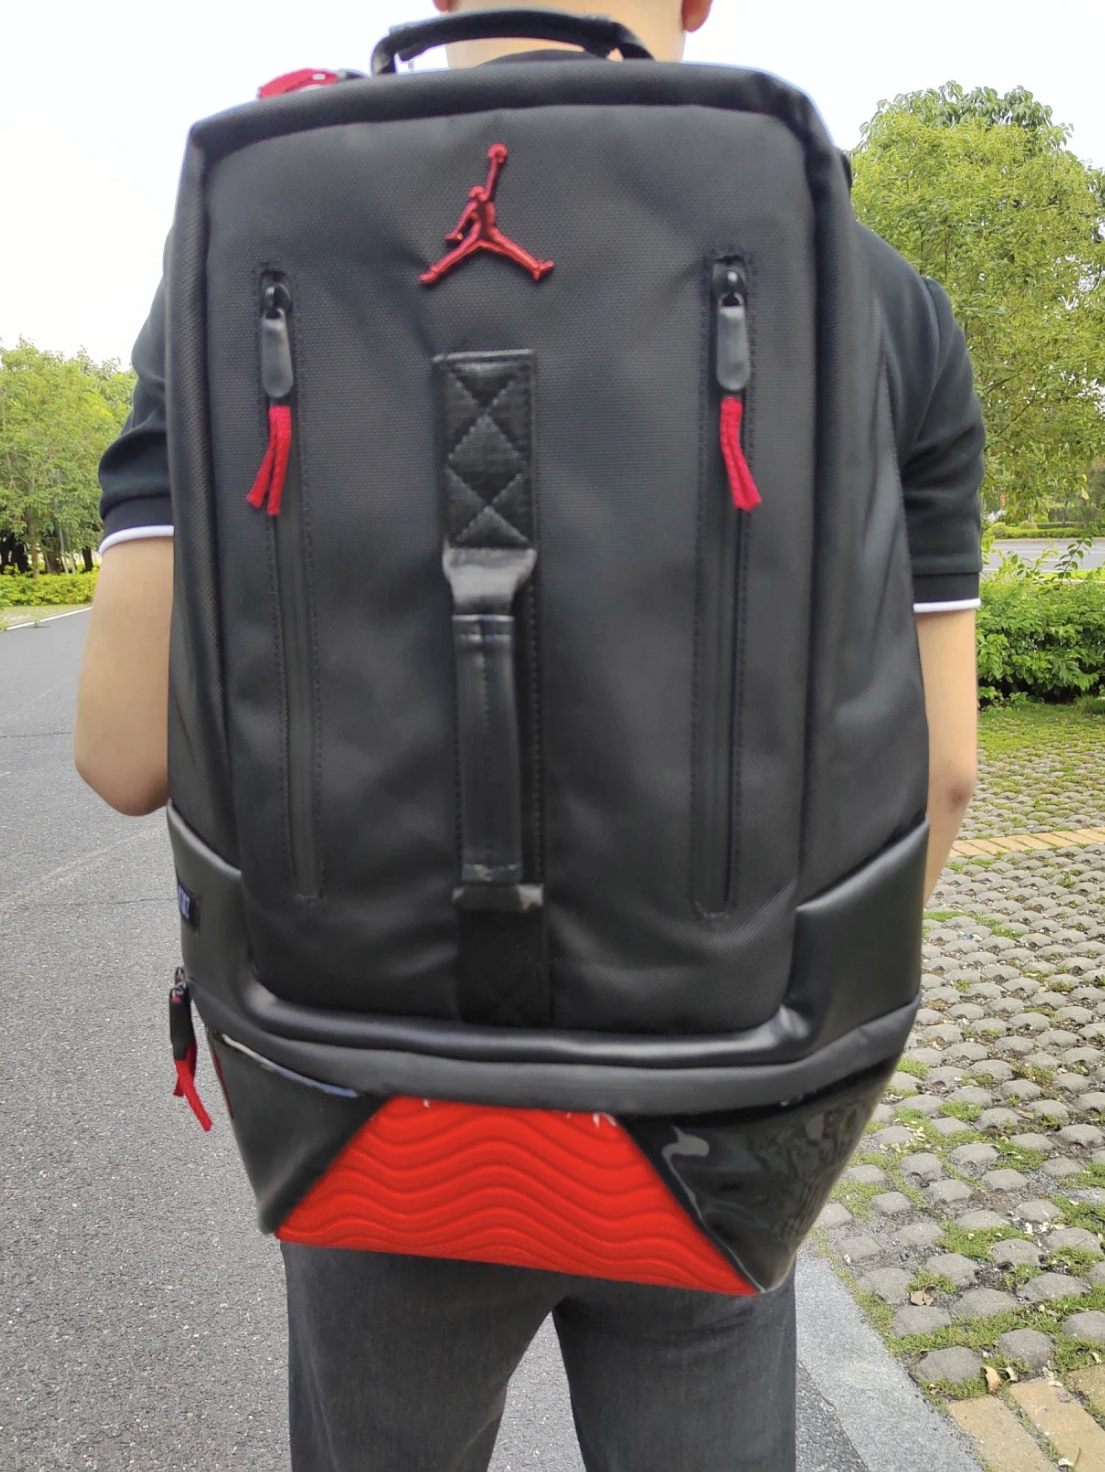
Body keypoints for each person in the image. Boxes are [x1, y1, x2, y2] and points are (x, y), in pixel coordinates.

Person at [74, 0, 983, 1466]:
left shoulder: (244, 252)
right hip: (722, 1088)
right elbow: (939, 773)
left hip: (364, 1095)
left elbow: (124, 756)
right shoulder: (867, 286)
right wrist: (772, 1041)